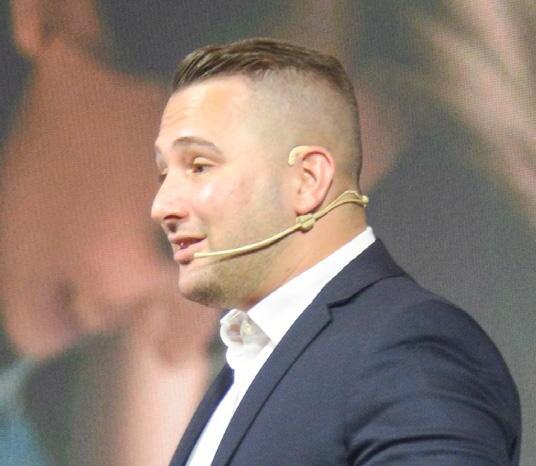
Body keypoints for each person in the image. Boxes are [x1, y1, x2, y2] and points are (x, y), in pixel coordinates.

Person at [151, 38, 521, 465]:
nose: (162, 206)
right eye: (164, 173)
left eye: (199, 166)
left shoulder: (409, 346)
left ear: (308, 180)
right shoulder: (248, 359)